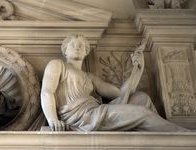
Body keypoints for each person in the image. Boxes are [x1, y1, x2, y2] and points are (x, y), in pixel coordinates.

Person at [41, 34, 188, 132]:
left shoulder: (89, 77)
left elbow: (121, 93)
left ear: (86, 52)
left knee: (142, 99)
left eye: (81, 45)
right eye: (73, 45)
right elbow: (47, 91)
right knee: (142, 113)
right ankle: (182, 136)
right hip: (83, 117)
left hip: (95, 112)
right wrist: (52, 119)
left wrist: (138, 67)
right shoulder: (58, 65)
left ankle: (156, 140)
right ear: (65, 50)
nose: (78, 47)